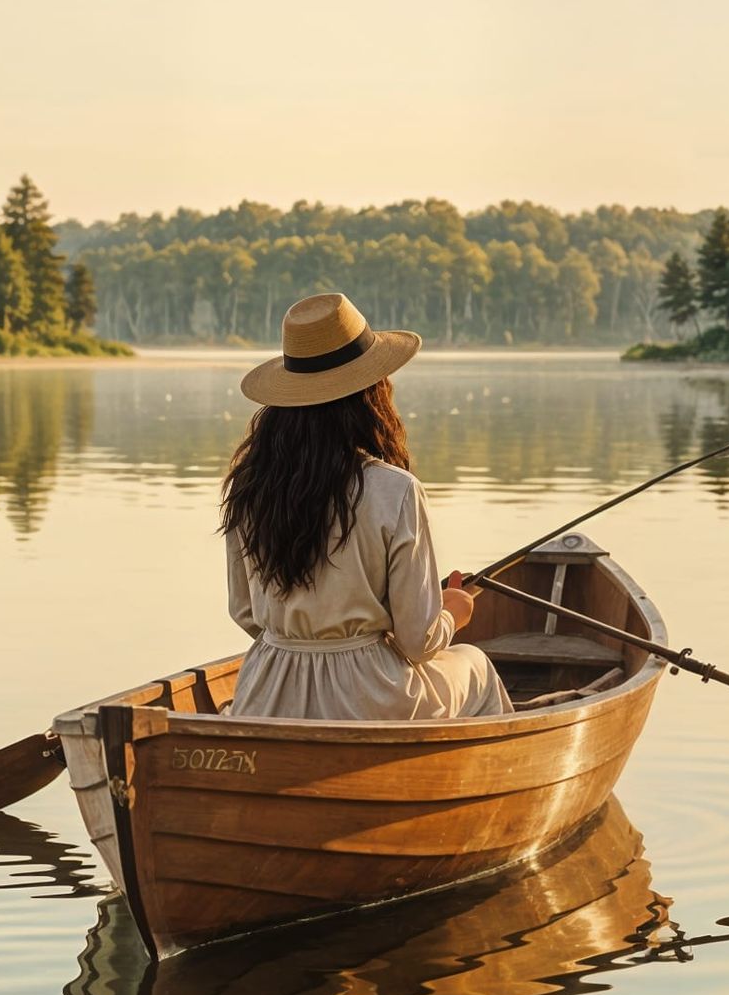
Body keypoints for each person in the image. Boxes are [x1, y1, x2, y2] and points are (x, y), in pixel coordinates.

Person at [219, 292, 512, 720]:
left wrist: (306, 635)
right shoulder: (395, 490)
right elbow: (417, 643)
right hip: (371, 699)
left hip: (266, 695)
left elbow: (246, 613)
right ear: (371, 394)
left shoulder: (248, 487)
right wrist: (452, 611)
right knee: (476, 666)